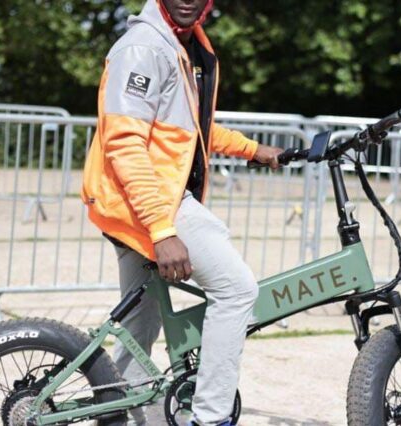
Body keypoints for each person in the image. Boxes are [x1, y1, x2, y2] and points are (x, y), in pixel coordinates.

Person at [81, 0, 283, 424]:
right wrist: (162, 230)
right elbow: (125, 143)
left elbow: (191, 129)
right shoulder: (144, 47)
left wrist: (253, 150)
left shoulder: (184, 46)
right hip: (152, 201)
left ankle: (121, 415)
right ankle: (211, 418)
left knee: (140, 322)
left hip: (142, 198)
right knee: (236, 289)